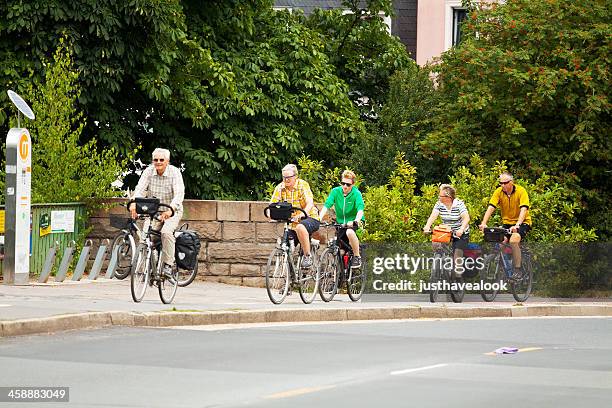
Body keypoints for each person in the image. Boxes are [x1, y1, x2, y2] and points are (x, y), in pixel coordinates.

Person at [130, 148, 185, 277]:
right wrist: (134, 203)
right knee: (146, 237)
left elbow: (179, 194)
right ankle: (145, 270)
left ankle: (168, 265)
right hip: (153, 211)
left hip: (172, 210)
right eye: (156, 160)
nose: (158, 162)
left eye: (161, 160)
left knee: (166, 233)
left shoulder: (175, 173)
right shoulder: (148, 171)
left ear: (167, 161)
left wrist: (170, 210)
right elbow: (140, 190)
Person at [479, 171, 531, 279]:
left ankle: (518, 269)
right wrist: (484, 223)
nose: (502, 185)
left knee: (513, 240)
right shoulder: (499, 192)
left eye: (505, 183)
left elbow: (524, 209)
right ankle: (506, 269)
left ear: (511, 182)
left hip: (522, 222)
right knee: (500, 244)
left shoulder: (521, 191)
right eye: (500, 183)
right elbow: (491, 207)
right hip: (507, 223)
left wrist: (517, 225)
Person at [269, 164, 320, 268]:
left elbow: (310, 203)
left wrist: (302, 214)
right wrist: (270, 215)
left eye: (289, 177)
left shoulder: (302, 185)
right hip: (292, 223)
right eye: (284, 177)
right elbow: (272, 204)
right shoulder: (280, 188)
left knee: (300, 227)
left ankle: (307, 256)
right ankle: (290, 278)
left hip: (309, 217)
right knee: (285, 247)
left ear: (295, 176)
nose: (286, 180)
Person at [319, 170, 365, 268]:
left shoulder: (356, 193)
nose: (345, 186)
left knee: (349, 232)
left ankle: (357, 256)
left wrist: (355, 220)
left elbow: (360, 208)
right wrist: (319, 218)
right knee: (340, 248)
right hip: (341, 223)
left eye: (348, 184)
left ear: (353, 184)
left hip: (355, 222)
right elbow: (327, 205)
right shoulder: (335, 191)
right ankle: (340, 274)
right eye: (343, 183)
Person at [423, 184, 470, 275]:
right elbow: (433, 216)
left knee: (457, 256)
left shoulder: (459, 204)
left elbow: (466, 218)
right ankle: (438, 268)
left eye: (440, 196)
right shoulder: (439, 204)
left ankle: (457, 281)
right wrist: (427, 226)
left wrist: (461, 229)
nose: (439, 197)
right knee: (436, 244)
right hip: (446, 232)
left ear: (448, 197)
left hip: (460, 233)